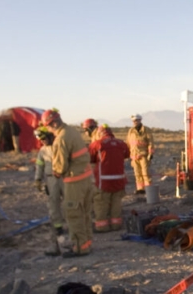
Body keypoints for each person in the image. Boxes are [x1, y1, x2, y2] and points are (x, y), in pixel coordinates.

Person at [40, 108, 94, 257]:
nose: (49, 130)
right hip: (86, 180)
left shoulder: (61, 139)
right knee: (85, 213)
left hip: (74, 182)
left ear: (54, 123)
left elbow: (60, 166)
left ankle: (79, 247)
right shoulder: (72, 131)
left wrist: (54, 175)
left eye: (48, 127)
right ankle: (87, 243)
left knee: (74, 214)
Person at [89, 124, 129, 232]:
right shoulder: (121, 144)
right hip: (119, 179)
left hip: (103, 180)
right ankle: (116, 224)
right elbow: (126, 155)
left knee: (101, 203)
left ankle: (102, 226)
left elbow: (91, 158)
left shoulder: (97, 144)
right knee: (116, 202)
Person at [33, 127, 65, 255]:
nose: (43, 142)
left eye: (44, 138)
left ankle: (75, 227)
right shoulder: (42, 150)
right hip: (51, 180)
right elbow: (39, 165)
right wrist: (38, 179)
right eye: (41, 140)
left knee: (70, 203)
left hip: (65, 177)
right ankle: (58, 228)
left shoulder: (61, 146)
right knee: (53, 204)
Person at [126, 114, 154, 194]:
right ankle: (140, 189)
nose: (135, 122)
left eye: (137, 120)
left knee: (145, 173)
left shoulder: (146, 130)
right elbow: (128, 143)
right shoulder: (131, 131)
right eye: (134, 121)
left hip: (144, 156)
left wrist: (150, 153)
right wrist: (128, 154)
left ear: (140, 120)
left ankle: (149, 189)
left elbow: (150, 142)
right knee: (137, 174)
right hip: (134, 156)